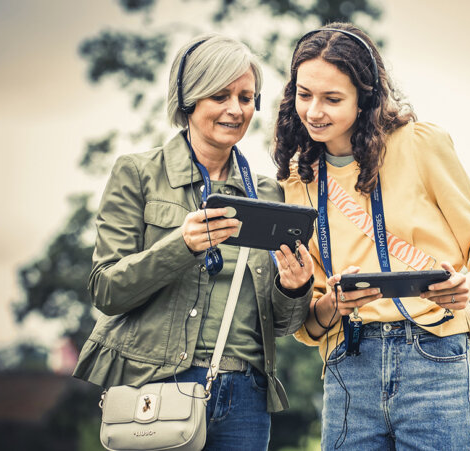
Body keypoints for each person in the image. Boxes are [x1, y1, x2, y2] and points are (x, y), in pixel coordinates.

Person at [273, 22, 470, 450]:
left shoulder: (420, 145)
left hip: (433, 354)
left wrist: (467, 287)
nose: (313, 111)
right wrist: (334, 302)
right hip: (349, 362)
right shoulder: (299, 179)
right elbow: (309, 321)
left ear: (365, 98)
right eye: (304, 94)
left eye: (332, 99)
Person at [73, 34, 314, 450]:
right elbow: (106, 290)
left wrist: (294, 289)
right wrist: (179, 246)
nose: (235, 109)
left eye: (246, 97)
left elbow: (282, 325)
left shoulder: (269, 195)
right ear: (188, 99)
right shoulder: (136, 173)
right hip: (158, 387)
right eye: (220, 95)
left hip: (247, 395)